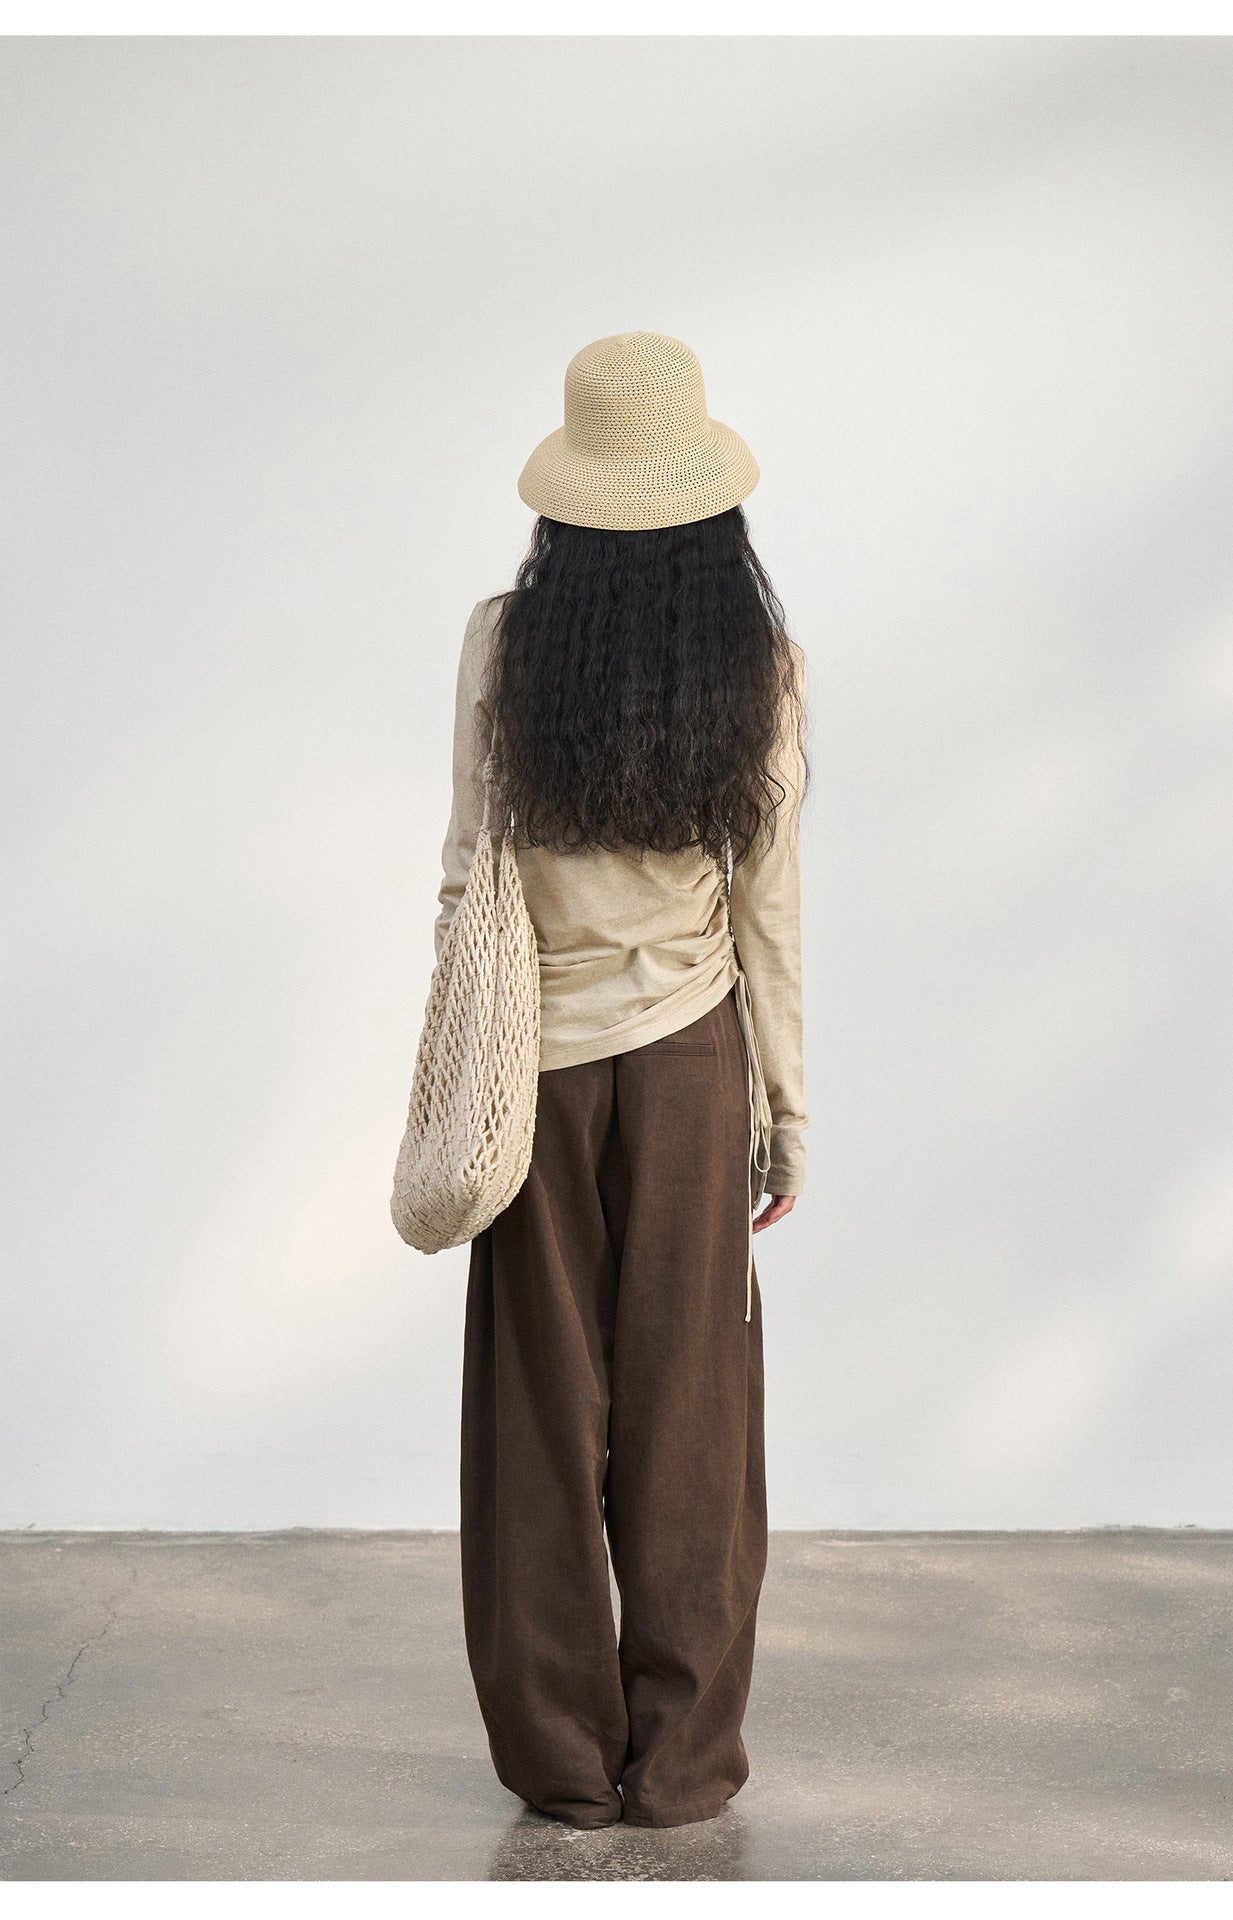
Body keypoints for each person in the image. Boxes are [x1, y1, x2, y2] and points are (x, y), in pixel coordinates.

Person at [431, 330, 809, 1831]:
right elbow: (768, 902)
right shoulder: (753, 660)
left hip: (534, 1066)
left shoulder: (502, 641)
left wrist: (453, 1067)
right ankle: (684, 1765)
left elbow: (467, 873)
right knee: (692, 1411)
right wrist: (788, 1111)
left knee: (538, 1409)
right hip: (694, 1063)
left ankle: (559, 1763)